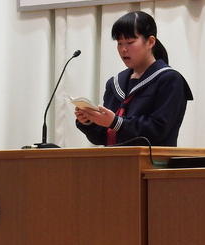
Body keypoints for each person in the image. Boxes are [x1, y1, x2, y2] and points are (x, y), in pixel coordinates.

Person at [75, 11, 193, 146]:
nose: (123, 49)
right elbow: (103, 137)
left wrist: (115, 122)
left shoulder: (170, 79)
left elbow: (158, 130)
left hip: (152, 158)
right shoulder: (115, 83)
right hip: (112, 158)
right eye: (119, 43)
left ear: (150, 42)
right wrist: (89, 121)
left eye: (130, 42)